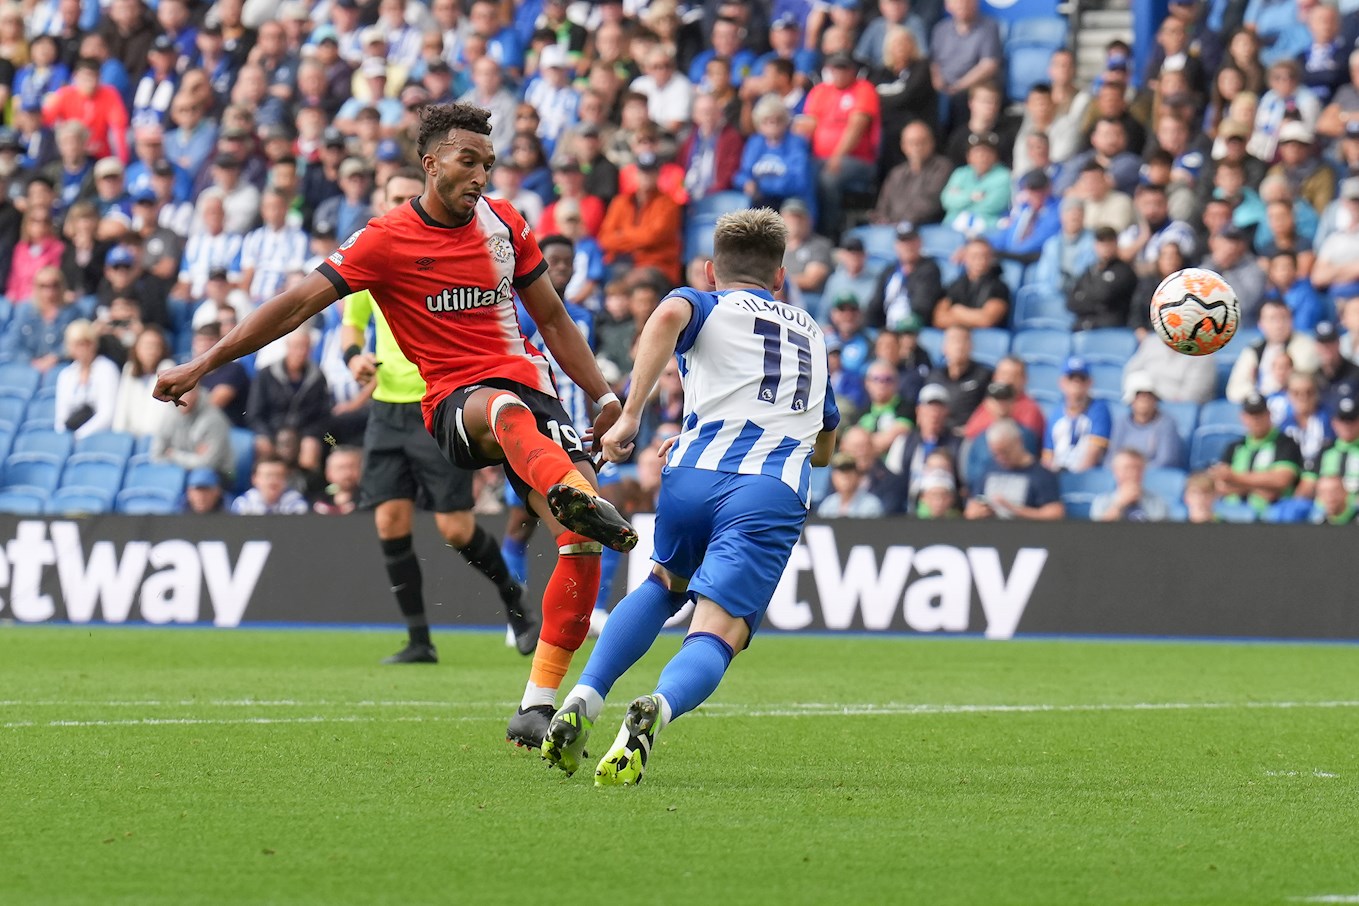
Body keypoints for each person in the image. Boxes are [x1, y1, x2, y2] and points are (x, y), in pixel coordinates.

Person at [154, 103, 635, 752]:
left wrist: (601, 392)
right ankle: (566, 494)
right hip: (454, 404)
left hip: (531, 389)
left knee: (580, 544)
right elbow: (295, 304)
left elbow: (550, 319)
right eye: (468, 162)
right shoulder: (384, 239)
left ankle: (535, 703)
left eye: (488, 165)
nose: (480, 177)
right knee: (504, 412)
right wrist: (204, 361)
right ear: (429, 163)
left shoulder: (507, 225)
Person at [537, 207, 837, 786]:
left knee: (662, 582)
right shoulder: (812, 332)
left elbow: (670, 312)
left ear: (709, 270)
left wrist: (630, 415)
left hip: (692, 475)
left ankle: (584, 696)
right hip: (768, 489)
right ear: (780, 276)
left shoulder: (701, 301)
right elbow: (823, 448)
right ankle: (657, 709)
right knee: (721, 629)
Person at [341, 168, 534, 664]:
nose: (405, 203)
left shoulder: (441, 257)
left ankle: (513, 599)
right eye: (395, 197)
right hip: (386, 409)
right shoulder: (374, 257)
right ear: (383, 203)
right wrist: (354, 357)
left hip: (439, 402)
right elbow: (351, 325)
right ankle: (419, 639)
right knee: (389, 521)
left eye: (411, 196)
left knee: (453, 527)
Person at [1213, 392, 1304, 515]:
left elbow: (1281, 480)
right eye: (1251, 415)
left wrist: (1234, 478)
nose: (1256, 419)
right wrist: (1259, 488)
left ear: (1269, 414)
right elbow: (1221, 484)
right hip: (1231, 512)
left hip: (1267, 514)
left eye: (1260, 414)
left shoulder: (1285, 443)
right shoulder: (1234, 446)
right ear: (1243, 417)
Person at [964, 418, 1064, 520]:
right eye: (996, 454)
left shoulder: (1042, 475)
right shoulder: (989, 469)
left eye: (1005, 452)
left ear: (1018, 441)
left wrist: (1014, 510)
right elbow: (972, 506)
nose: (1001, 458)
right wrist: (977, 512)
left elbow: (1055, 513)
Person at [1043, 356, 1112, 473]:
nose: (1076, 383)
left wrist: (1074, 480)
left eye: (1082, 378)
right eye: (1071, 378)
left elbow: (1094, 453)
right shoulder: (1055, 414)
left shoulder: (1099, 410)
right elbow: (1048, 456)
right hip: (1057, 475)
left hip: (1086, 478)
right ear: (1062, 382)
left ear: (1090, 382)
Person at [150, 382, 234, 478]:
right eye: (179, 393)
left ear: (197, 393)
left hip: (217, 474)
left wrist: (173, 454)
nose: (184, 397)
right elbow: (156, 455)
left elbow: (208, 464)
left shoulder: (213, 418)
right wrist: (193, 458)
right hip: (180, 472)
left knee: (199, 479)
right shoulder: (169, 414)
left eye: (188, 393)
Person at [54, 319, 119, 438]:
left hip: (99, 436)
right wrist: (65, 437)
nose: (80, 349)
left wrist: (79, 436)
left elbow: (107, 414)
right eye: (75, 344)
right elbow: (61, 416)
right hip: (71, 435)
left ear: (93, 344)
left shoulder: (106, 369)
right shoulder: (66, 374)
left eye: (84, 343)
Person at [1109, 372, 1185, 469]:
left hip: (1155, 478)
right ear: (1131, 399)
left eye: (1149, 395)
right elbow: (1111, 458)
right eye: (1139, 395)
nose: (1144, 400)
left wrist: (1135, 472)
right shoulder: (1121, 422)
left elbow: (1166, 460)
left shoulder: (1167, 423)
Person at [1091, 448, 1170, 522]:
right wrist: (1119, 504)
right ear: (1115, 471)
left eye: (1138, 469)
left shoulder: (1157, 502)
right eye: (1127, 468)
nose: (1133, 473)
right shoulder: (1101, 501)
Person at [231, 456, 311, 515]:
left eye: (278, 476)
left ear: (286, 480)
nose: (273, 481)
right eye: (268, 476)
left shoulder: (296, 502)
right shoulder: (244, 503)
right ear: (254, 479)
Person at [817, 452, 885, 517]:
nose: (845, 477)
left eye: (849, 473)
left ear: (858, 477)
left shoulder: (871, 505)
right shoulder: (828, 504)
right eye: (841, 473)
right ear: (833, 478)